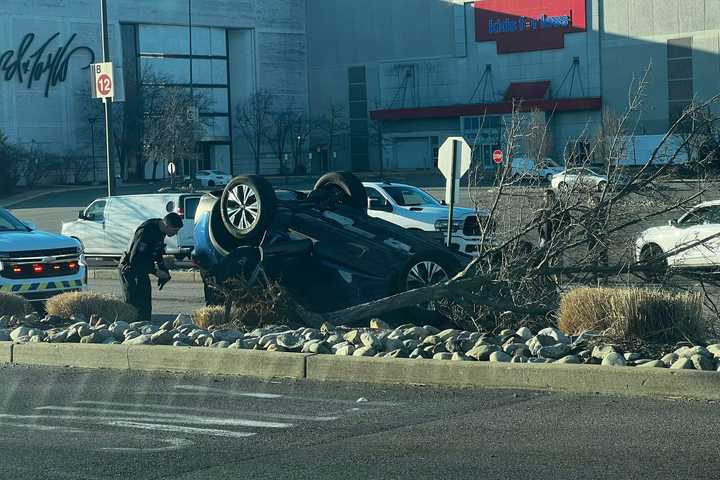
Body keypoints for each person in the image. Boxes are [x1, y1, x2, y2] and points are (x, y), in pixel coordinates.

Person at [119, 212, 183, 322]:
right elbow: (135, 259)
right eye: (175, 230)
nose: (176, 233)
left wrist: (164, 271)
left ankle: (145, 325)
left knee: (145, 300)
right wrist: (155, 271)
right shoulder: (146, 231)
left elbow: (157, 252)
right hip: (129, 268)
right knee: (133, 303)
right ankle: (129, 329)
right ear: (168, 226)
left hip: (141, 268)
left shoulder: (161, 230)